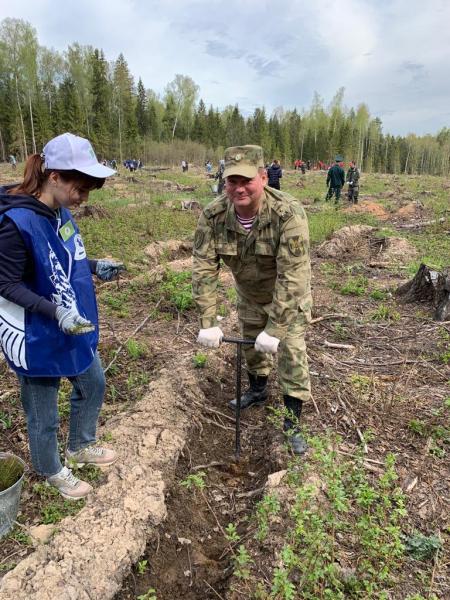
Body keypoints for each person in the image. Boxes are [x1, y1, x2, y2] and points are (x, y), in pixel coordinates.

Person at [0, 132, 125, 500]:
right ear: (53, 176)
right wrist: (55, 311)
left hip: (71, 323)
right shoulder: (15, 222)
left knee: (94, 382)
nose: (84, 196)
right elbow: (5, 283)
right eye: (80, 186)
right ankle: (52, 469)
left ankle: (80, 445)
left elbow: (60, 258)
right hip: (36, 330)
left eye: (91, 189)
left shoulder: (60, 212)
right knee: (43, 414)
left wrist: (95, 264)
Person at [192, 145, 312, 454]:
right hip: (248, 293)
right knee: (251, 344)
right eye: (232, 181)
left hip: (286, 297)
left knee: (292, 352)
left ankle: (291, 421)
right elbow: (204, 266)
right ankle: (258, 390)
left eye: (247, 180)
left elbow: (293, 276)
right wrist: (208, 320)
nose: (239, 188)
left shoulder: (288, 213)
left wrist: (276, 329)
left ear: (263, 177)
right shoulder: (214, 215)